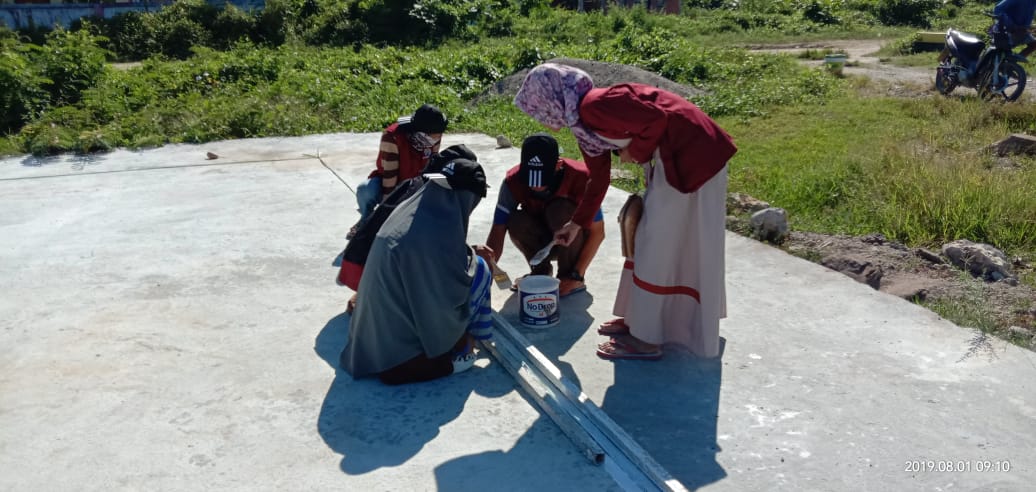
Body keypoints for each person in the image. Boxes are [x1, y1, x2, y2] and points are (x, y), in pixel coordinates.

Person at [514, 63, 737, 360]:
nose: (541, 118)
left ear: (552, 98)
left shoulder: (594, 106)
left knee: (657, 244)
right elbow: (598, 178)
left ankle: (647, 339)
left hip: (695, 158)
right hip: (672, 159)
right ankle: (640, 320)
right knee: (646, 239)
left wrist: (635, 152)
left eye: (538, 108)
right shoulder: (583, 126)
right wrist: (576, 223)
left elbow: (656, 120)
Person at [340, 158, 495, 385]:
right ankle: (463, 347)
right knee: (480, 270)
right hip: (398, 357)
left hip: (367, 341)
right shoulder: (433, 238)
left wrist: (466, 252)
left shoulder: (408, 212)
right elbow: (437, 294)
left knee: (471, 263)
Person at [338, 144, 479, 314]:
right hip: (366, 265)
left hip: (361, 260)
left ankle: (369, 294)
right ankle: (371, 295)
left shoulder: (416, 185)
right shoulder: (434, 198)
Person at [484, 133, 605, 298]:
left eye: (543, 179)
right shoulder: (512, 182)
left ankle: (567, 275)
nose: (536, 186)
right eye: (530, 178)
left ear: (558, 165)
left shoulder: (581, 178)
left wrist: (577, 274)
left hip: (572, 240)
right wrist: (487, 272)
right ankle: (541, 271)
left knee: (559, 209)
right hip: (541, 242)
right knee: (515, 219)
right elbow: (498, 229)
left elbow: (598, 233)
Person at [349, 104, 448, 239]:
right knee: (365, 189)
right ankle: (366, 220)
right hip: (391, 182)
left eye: (439, 135)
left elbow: (432, 165)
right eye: (434, 136)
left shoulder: (433, 133)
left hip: (416, 183)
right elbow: (390, 175)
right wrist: (386, 211)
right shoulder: (392, 137)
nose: (437, 139)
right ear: (421, 132)